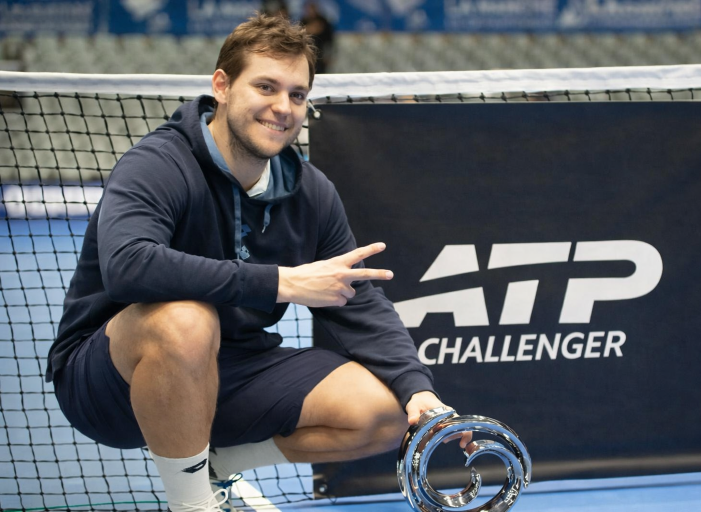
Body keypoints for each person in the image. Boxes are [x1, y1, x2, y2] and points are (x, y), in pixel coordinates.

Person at [45, 13, 466, 512]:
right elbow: (129, 266)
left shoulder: (312, 192)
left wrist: (418, 391)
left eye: (297, 94)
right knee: (188, 319)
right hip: (110, 381)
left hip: (234, 369)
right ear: (221, 86)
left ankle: (223, 462)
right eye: (265, 86)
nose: (282, 107)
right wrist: (281, 282)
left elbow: (359, 303)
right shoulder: (159, 164)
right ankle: (194, 505)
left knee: (384, 411)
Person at [301, 2, 335, 74]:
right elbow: (299, 37)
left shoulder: (324, 22)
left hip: (321, 56)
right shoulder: (303, 21)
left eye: (313, 8)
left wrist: (328, 55)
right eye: (309, 8)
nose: (311, 10)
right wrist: (308, 29)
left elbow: (329, 41)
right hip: (307, 54)